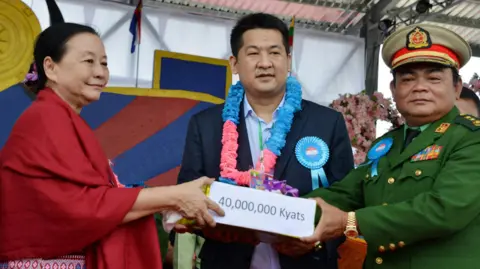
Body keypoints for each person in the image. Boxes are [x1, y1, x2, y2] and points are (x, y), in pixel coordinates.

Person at [0, 23, 223, 269]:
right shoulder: (46, 118)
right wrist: (174, 196)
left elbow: (95, 202)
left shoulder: (61, 118)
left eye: (104, 63)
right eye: (89, 61)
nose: (100, 72)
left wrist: (171, 205)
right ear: (51, 68)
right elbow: (80, 207)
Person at [174, 13, 354, 269]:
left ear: (288, 60)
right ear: (234, 63)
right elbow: (187, 195)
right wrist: (214, 228)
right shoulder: (205, 125)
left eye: (275, 52)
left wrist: (316, 238)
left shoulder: (327, 122)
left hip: (306, 261)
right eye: (253, 53)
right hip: (228, 260)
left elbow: (347, 195)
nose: (265, 63)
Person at [301, 24, 480, 269]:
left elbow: (444, 210)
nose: (420, 87)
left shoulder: (471, 138)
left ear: (457, 88)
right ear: (394, 90)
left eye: (434, 78)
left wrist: (349, 222)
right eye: (407, 79)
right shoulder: (386, 144)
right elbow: (345, 194)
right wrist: (282, 212)